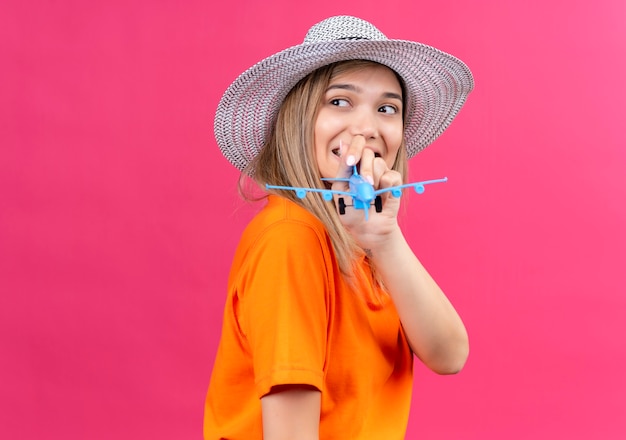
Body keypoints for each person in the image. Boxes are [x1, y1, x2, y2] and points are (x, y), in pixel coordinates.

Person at [205, 15, 474, 440]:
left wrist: (385, 240)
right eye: (339, 101)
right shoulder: (291, 238)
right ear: (297, 119)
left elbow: (449, 354)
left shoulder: (363, 243)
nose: (366, 128)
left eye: (387, 108)